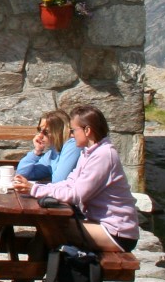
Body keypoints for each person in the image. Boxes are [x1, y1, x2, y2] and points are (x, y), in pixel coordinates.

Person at [12, 105, 140, 252]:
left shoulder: (103, 155)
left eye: (73, 131)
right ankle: (35, 271)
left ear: (87, 130)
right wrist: (35, 188)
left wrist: (34, 189)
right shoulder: (89, 152)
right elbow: (69, 183)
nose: (71, 135)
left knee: (51, 228)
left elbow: (76, 195)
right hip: (101, 223)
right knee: (48, 229)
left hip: (117, 231)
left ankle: (34, 272)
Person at [14, 110, 80, 184]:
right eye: (39, 130)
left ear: (59, 131)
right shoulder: (52, 154)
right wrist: (36, 151)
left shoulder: (73, 145)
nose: (40, 135)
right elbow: (21, 175)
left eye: (46, 132)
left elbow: (59, 181)